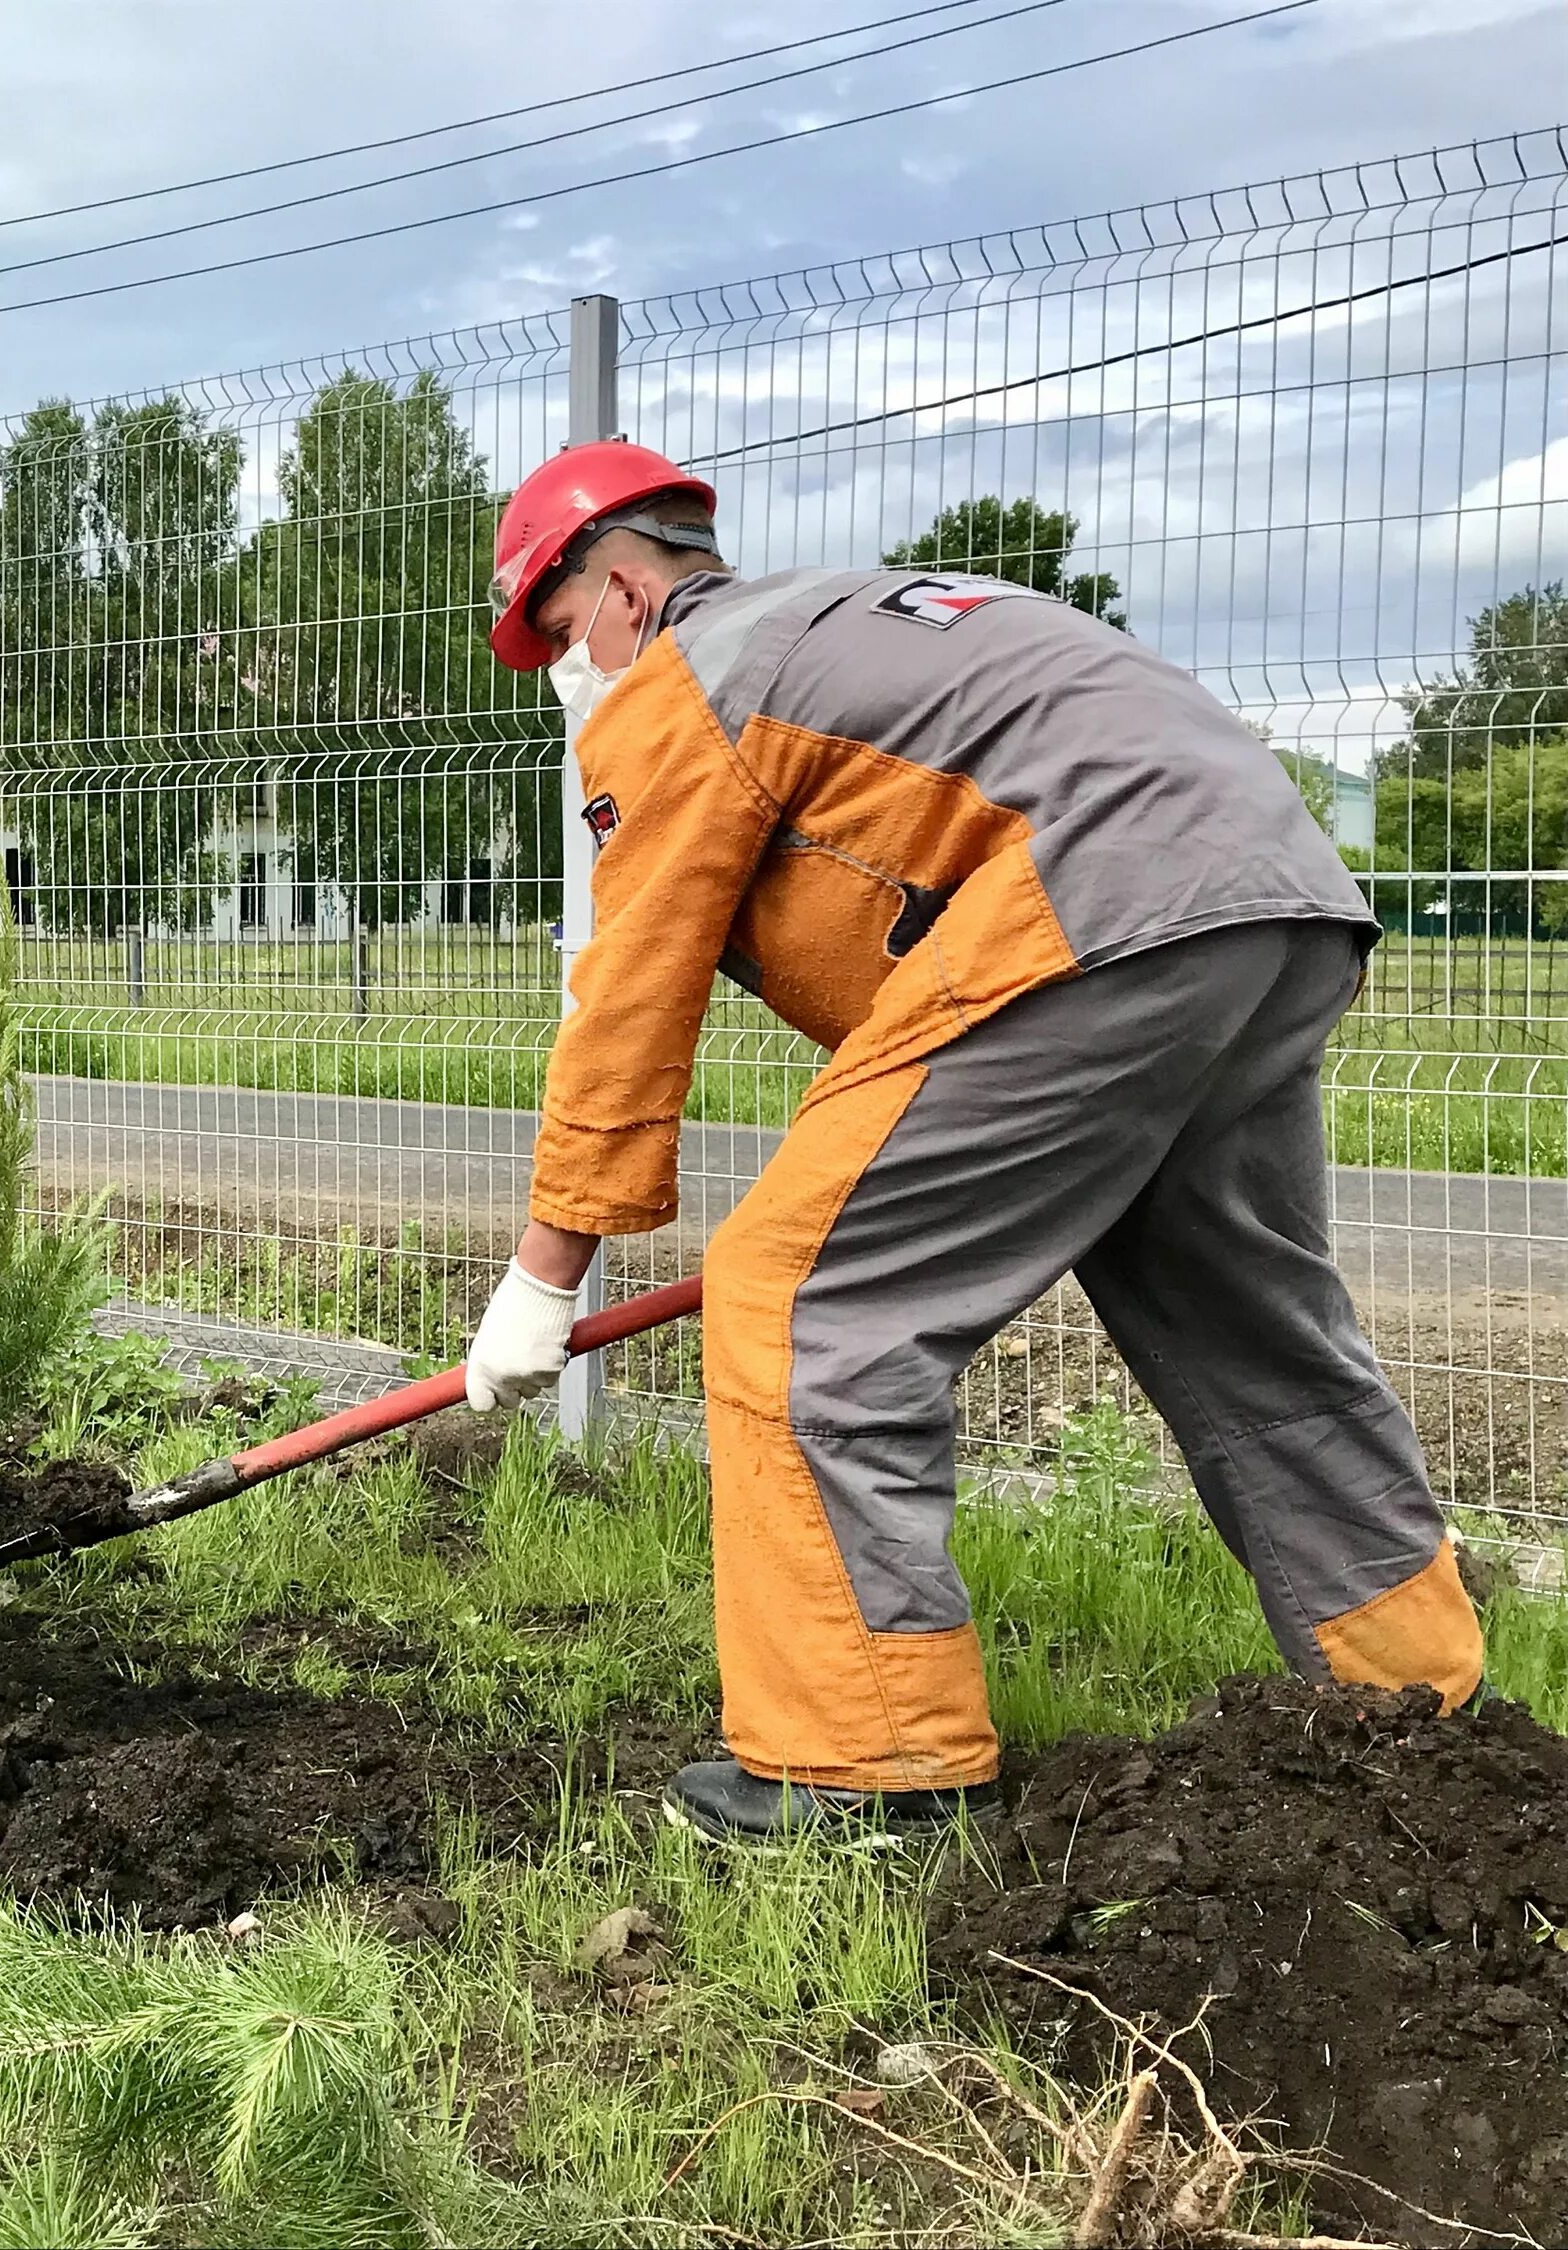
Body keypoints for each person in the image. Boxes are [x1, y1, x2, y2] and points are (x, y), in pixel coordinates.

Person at [462, 441, 1485, 1842]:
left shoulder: (688, 680)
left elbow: (630, 992)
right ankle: (1422, 1713)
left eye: (562, 637)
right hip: (1273, 896)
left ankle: (859, 1761)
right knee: (1252, 1330)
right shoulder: (841, 624)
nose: (567, 676)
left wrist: (543, 1270)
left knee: (801, 1296)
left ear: (626, 591)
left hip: (1096, 898)